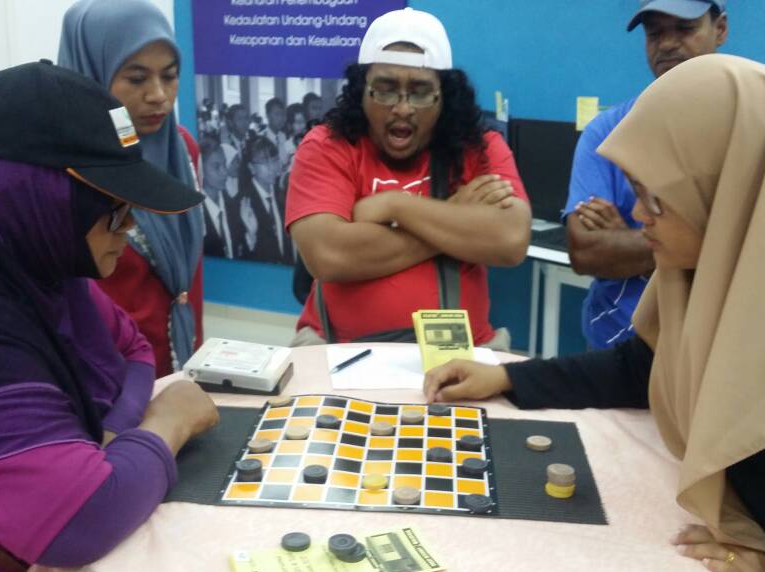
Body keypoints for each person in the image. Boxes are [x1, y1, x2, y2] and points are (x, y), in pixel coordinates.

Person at [423, 55, 765, 572]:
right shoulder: (714, 273)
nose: (639, 216)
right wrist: (508, 377)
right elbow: (643, 366)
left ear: (727, 192)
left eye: (655, 198)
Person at [0, 61, 219, 572]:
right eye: (113, 208)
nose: (130, 226)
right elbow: (86, 519)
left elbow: (133, 349)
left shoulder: (30, 262)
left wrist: (113, 431)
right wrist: (167, 420)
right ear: (29, 195)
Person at [286, 7, 531, 347]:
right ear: (361, 91)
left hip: (461, 352)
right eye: (385, 89)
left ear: (444, 96)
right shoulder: (327, 146)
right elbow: (328, 255)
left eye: (420, 91)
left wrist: (395, 206)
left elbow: (510, 239)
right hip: (338, 348)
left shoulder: (479, 147)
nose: (402, 108)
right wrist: (455, 215)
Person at [565, 0, 727, 349]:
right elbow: (586, 252)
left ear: (720, 29)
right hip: (617, 343)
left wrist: (628, 239)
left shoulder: (743, 127)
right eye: (654, 33)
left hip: (713, 348)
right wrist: (704, 244)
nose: (666, 43)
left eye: (684, 29)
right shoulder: (607, 132)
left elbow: (755, 252)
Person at [58, 0, 206, 377]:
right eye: (137, 79)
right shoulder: (61, 168)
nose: (158, 95)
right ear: (91, 74)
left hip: (182, 359)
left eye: (170, 76)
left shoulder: (182, 150)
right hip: (104, 372)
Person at [236, 136, 294, 264]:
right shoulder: (243, 203)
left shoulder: (283, 195)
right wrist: (250, 235)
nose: (272, 168)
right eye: (265, 163)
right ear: (251, 167)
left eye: (274, 161)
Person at [201, 138, 237, 259]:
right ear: (200, 168)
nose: (225, 172)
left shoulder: (234, 206)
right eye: (216, 167)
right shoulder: (193, 214)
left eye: (224, 164)